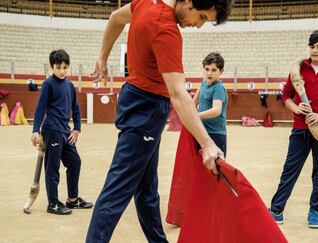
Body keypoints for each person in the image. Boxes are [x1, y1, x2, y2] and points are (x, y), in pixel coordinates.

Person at [85, 0, 232, 242]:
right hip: (148, 107)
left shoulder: (145, 3)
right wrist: (206, 143)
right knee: (117, 190)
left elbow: (115, 18)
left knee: (146, 188)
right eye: (202, 17)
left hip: (135, 98)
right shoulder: (166, 29)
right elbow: (177, 93)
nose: (198, 26)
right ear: (188, 2)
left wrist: (103, 57)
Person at [269, 30, 318, 228]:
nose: (314, 50)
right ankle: (276, 210)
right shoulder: (298, 69)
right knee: (290, 170)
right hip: (300, 128)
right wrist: (296, 107)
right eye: (312, 46)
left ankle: (315, 211)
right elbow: (286, 96)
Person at [31, 49, 93, 215]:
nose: (62, 71)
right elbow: (40, 109)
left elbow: (76, 108)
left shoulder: (70, 86)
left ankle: (72, 200)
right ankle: (53, 203)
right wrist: (35, 130)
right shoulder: (48, 84)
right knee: (53, 167)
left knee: (75, 162)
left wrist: (77, 128)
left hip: (65, 131)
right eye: (58, 67)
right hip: (51, 130)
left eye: (65, 67)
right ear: (52, 67)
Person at [193, 52, 228, 156]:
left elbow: (216, 111)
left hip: (216, 134)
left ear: (221, 71)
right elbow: (192, 103)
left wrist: (196, 116)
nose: (209, 73)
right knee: (200, 168)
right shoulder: (203, 84)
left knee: (215, 170)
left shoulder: (219, 88)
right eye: (207, 69)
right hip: (201, 133)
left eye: (214, 70)